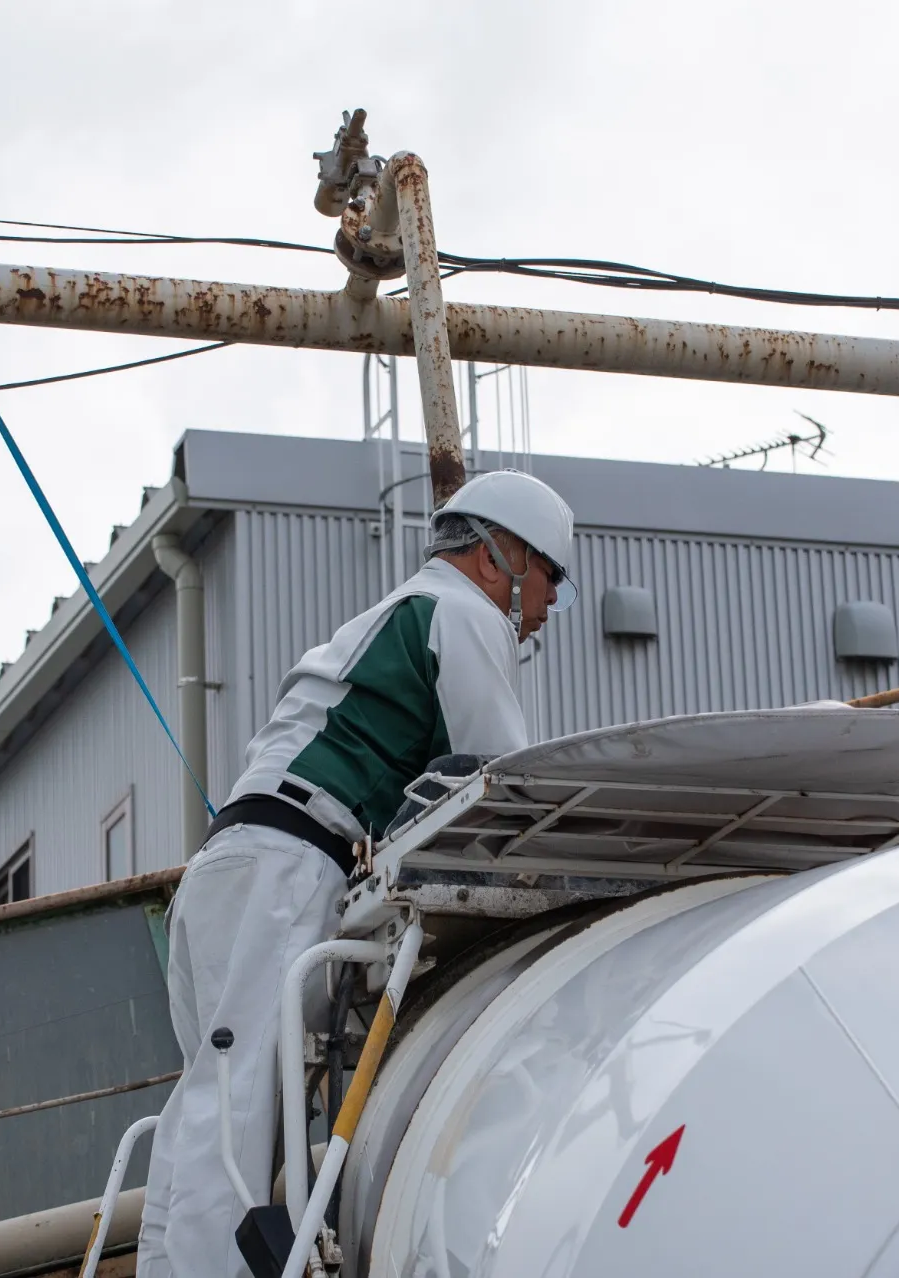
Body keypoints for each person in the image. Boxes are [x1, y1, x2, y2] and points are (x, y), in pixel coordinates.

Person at [138, 469, 576, 1278]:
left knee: (212, 1098)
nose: (550, 604)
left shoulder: (393, 615)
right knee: (237, 1112)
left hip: (232, 862)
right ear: (501, 555)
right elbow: (503, 783)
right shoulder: (464, 614)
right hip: (289, 862)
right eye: (553, 575)